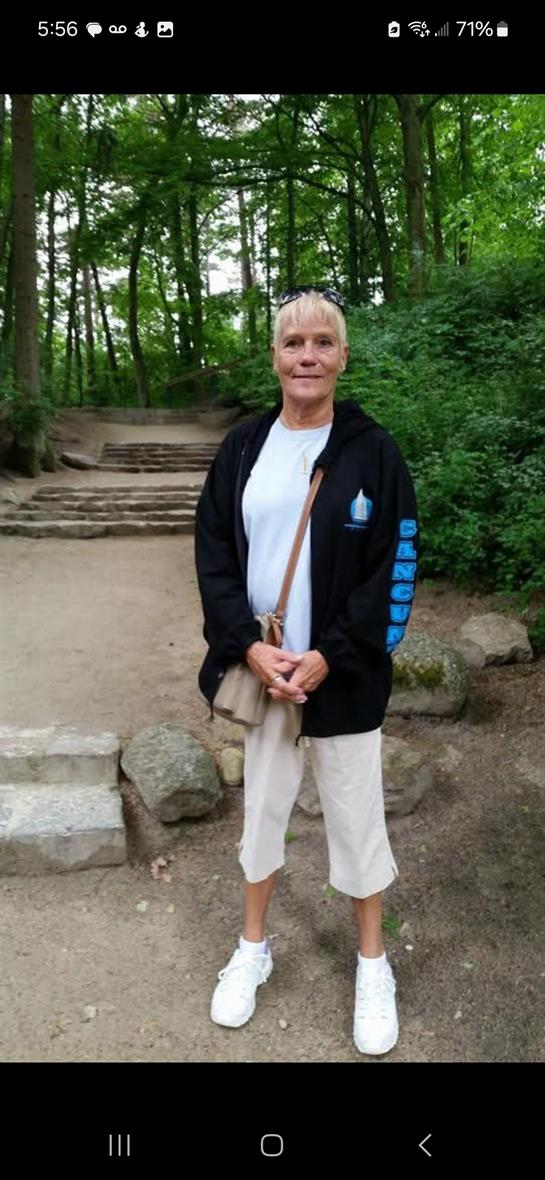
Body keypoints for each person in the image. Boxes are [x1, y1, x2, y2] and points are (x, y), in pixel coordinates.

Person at [195, 285, 418, 1055]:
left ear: (343, 356)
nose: (307, 356)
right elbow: (214, 558)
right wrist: (248, 648)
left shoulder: (373, 453)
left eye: (322, 342)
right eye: (293, 343)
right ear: (273, 357)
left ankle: (370, 966)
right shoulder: (242, 450)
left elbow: (392, 568)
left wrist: (330, 655)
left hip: (342, 677)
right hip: (261, 672)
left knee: (357, 821)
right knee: (261, 815)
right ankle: (252, 950)